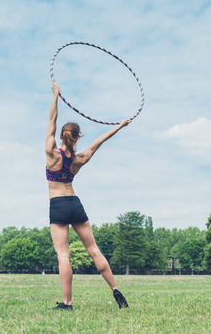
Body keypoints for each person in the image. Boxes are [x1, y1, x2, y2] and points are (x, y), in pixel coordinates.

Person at [46, 80, 129, 310]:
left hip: (58, 205)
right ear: (76, 138)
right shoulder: (79, 159)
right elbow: (100, 141)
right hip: (75, 203)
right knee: (94, 250)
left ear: (61, 136)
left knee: (63, 255)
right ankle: (115, 289)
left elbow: (51, 120)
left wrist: (55, 95)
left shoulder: (51, 154)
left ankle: (67, 303)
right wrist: (120, 125)